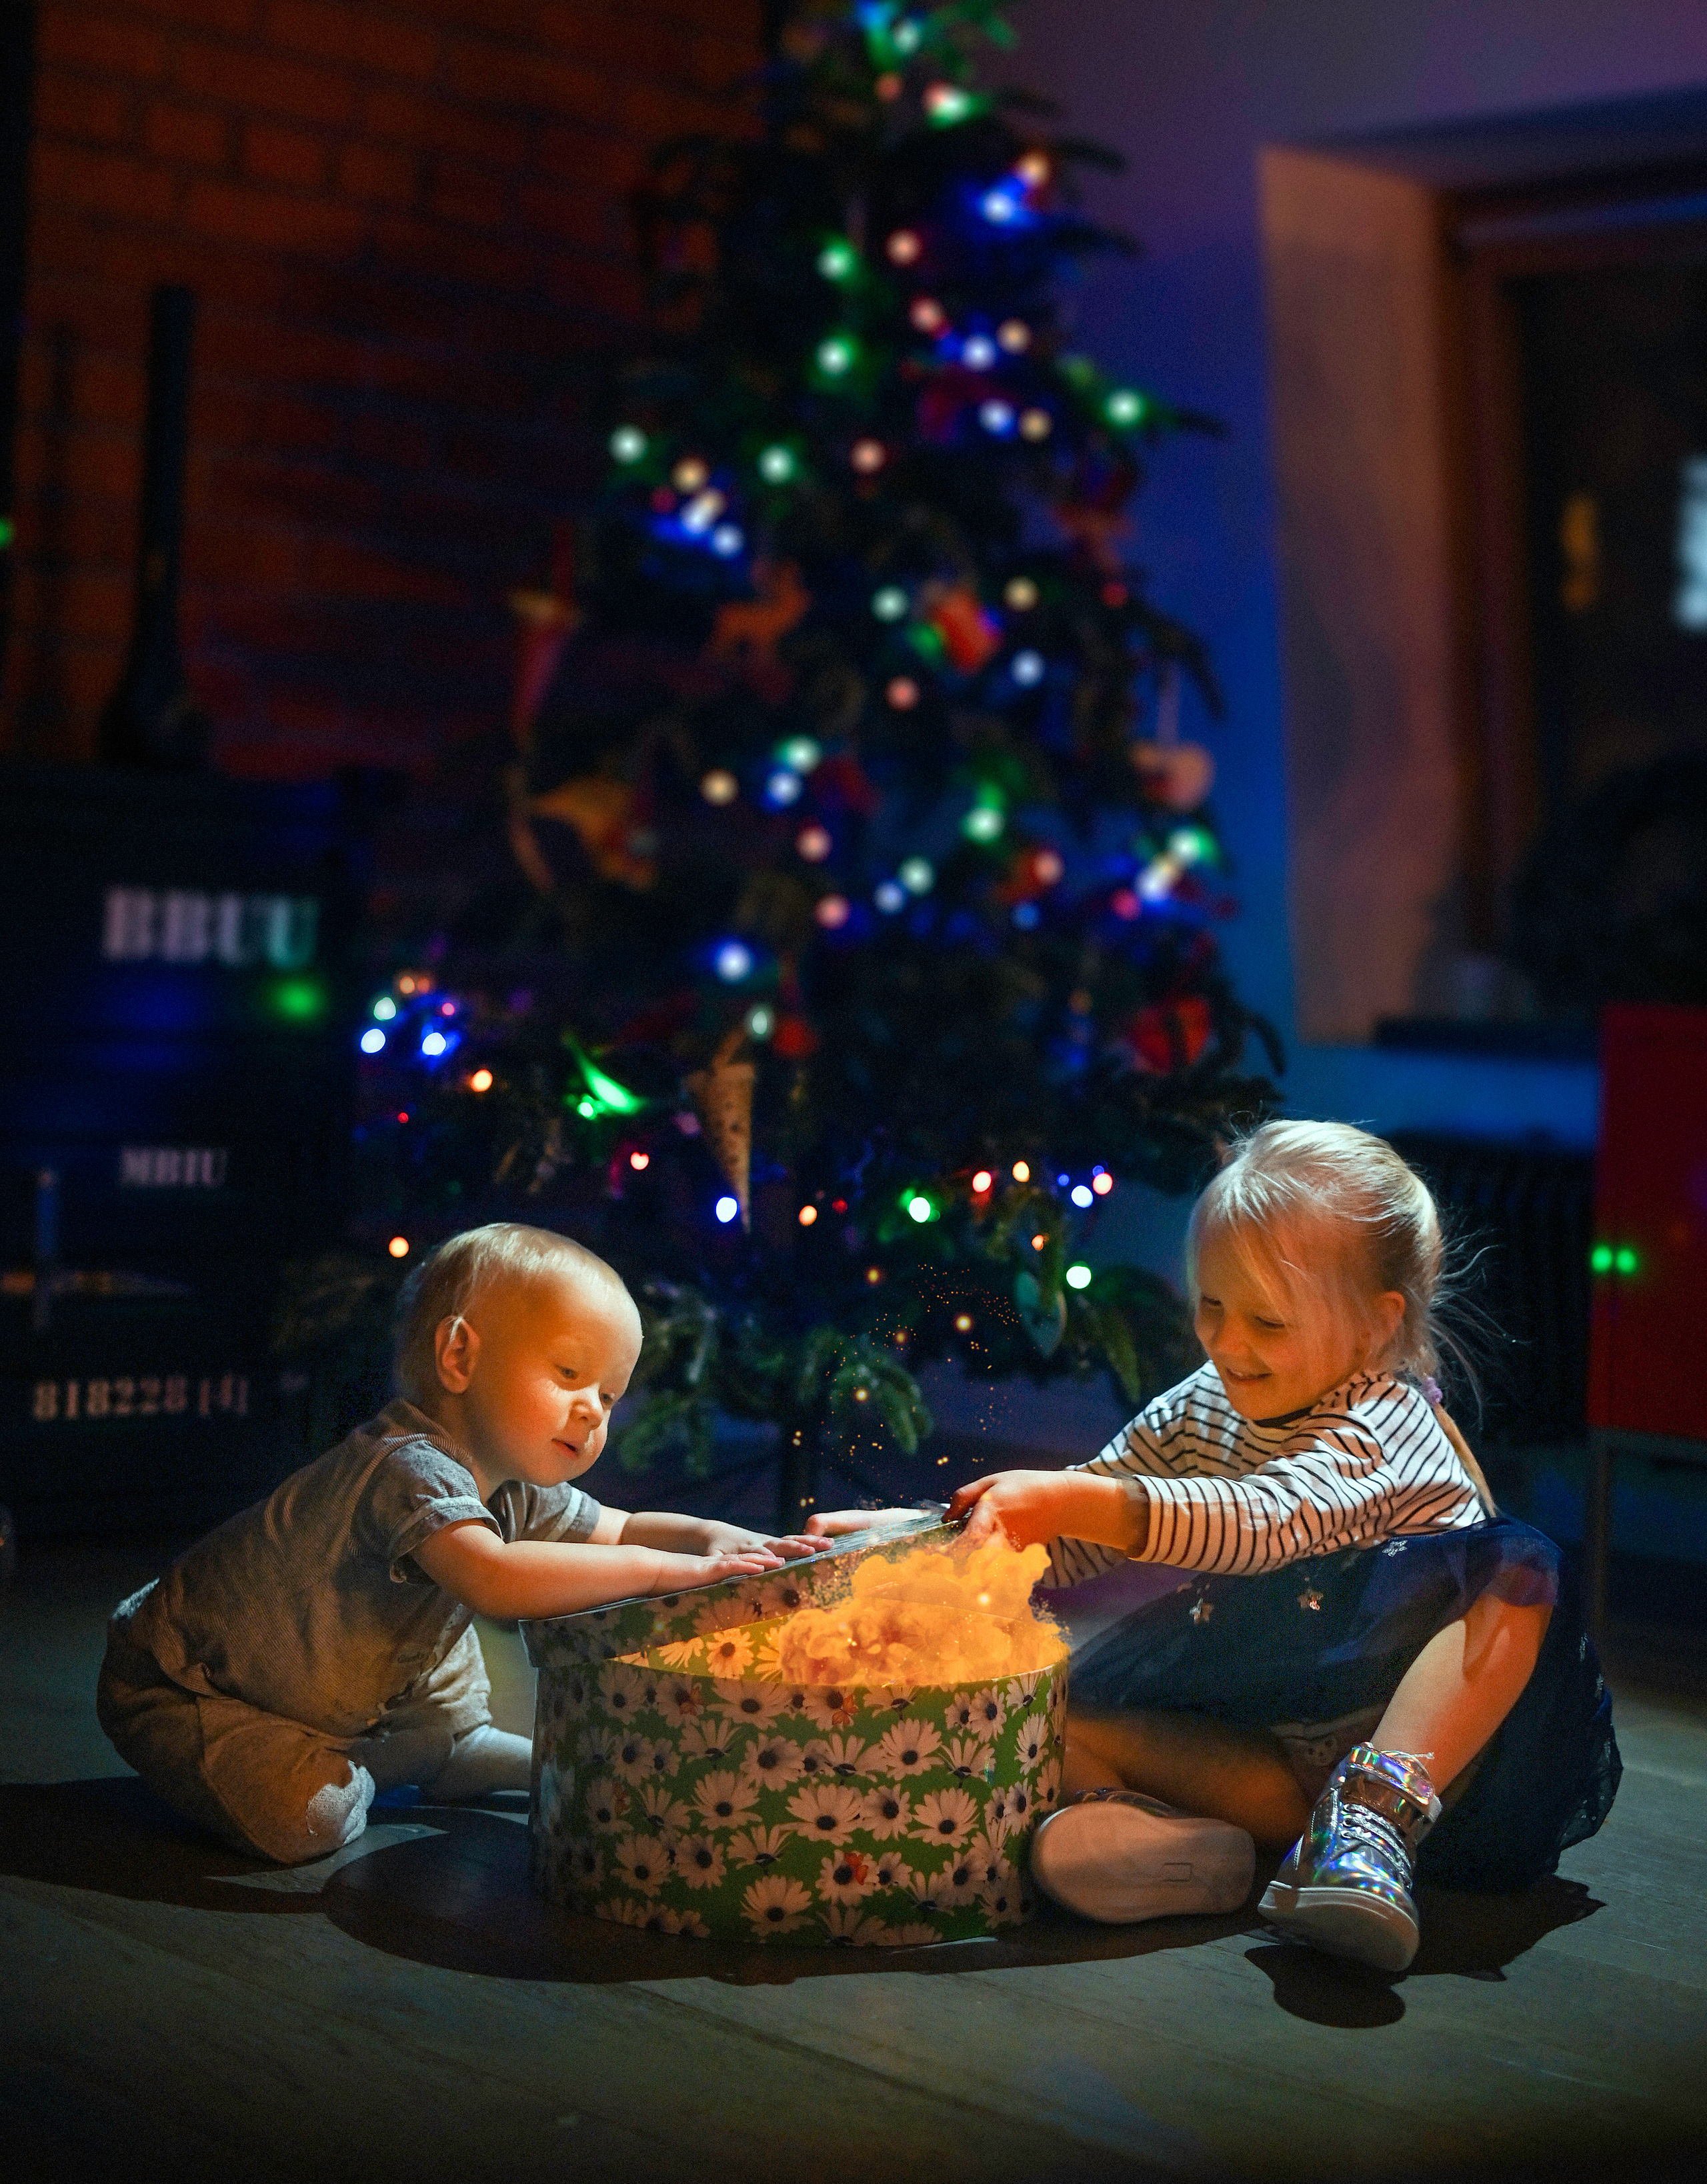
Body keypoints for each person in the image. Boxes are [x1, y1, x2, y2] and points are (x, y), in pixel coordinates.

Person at [815, 1122, 1620, 1973]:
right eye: (1211, 1305)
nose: (1227, 1343)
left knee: (1521, 1568)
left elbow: (1262, 1518)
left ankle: (1369, 1825)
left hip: (1443, 1775)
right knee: (1043, 1721)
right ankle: (1187, 1846)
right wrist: (918, 1540)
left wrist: (1070, 1498)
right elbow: (1074, 1535)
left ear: (1374, 1325)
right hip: (1280, 1771)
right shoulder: (1206, 1401)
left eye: (1267, 1321)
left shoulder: (1383, 1417)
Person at [97, 1222, 821, 1866]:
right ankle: (385, 1763)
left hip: (339, 1685)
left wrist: (716, 1536)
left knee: (439, 1660)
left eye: (608, 1394)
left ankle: (455, 1745)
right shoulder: (407, 1465)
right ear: (458, 1355)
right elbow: (494, 1578)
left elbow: (622, 1525)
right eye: (569, 1374)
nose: (591, 1411)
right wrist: (665, 1573)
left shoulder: (510, 1481)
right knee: (308, 1820)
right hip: (196, 1685)